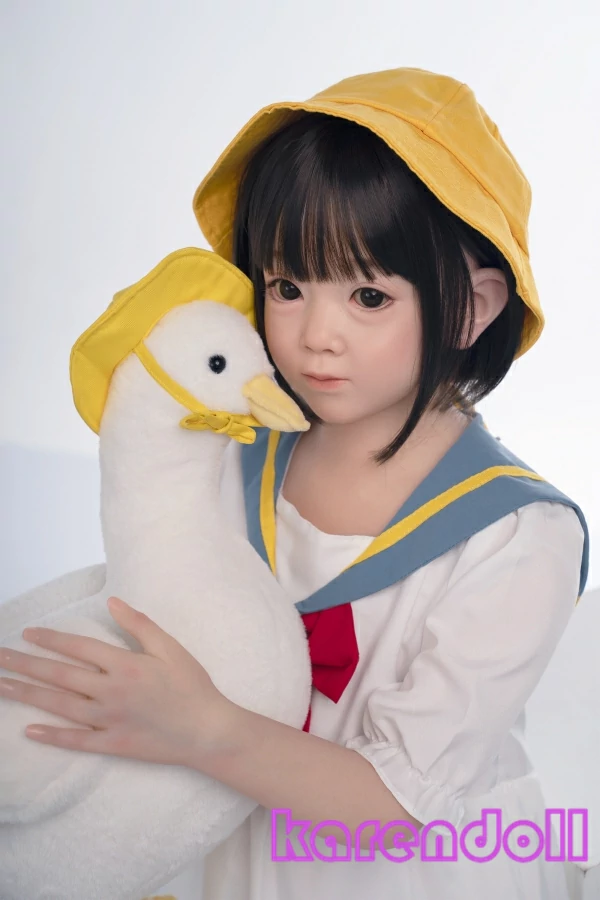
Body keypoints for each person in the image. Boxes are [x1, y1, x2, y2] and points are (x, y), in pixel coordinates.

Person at [0, 68, 590, 900]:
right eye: (286, 287)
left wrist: (201, 727)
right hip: (240, 853)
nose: (316, 335)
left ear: (471, 307)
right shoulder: (235, 450)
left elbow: (400, 806)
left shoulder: (517, 538)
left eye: (368, 296)